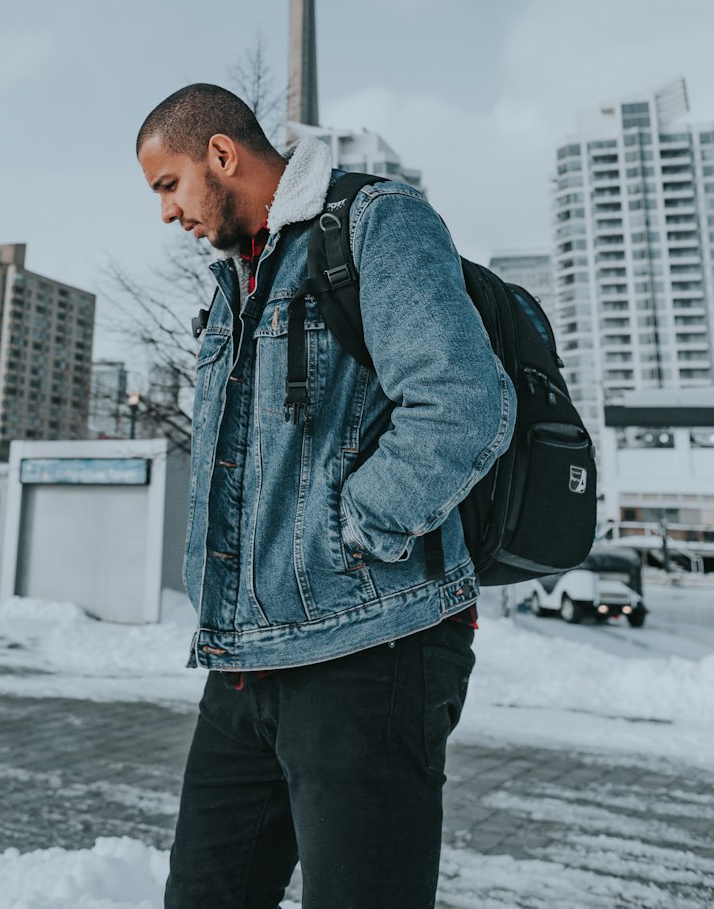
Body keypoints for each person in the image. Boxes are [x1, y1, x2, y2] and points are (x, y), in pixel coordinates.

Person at [137, 84, 516, 909]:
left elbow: (462, 402)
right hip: (246, 666)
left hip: (368, 656)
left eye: (169, 185)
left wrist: (347, 534)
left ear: (222, 155)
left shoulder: (377, 223)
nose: (167, 214)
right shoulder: (234, 283)